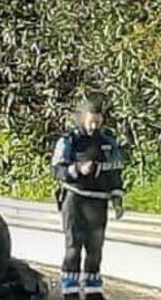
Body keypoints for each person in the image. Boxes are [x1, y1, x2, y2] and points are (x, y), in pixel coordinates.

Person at [51, 97, 124, 300]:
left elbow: (116, 172)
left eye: (98, 122)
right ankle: (70, 289)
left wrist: (117, 199)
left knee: (95, 247)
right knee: (73, 246)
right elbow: (57, 169)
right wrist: (77, 169)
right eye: (91, 121)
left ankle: (93, 289)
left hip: (99, 201)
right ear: (83, 118)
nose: (94, 126)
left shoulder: (108, 141)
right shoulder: (70, 140)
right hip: (75, 199)